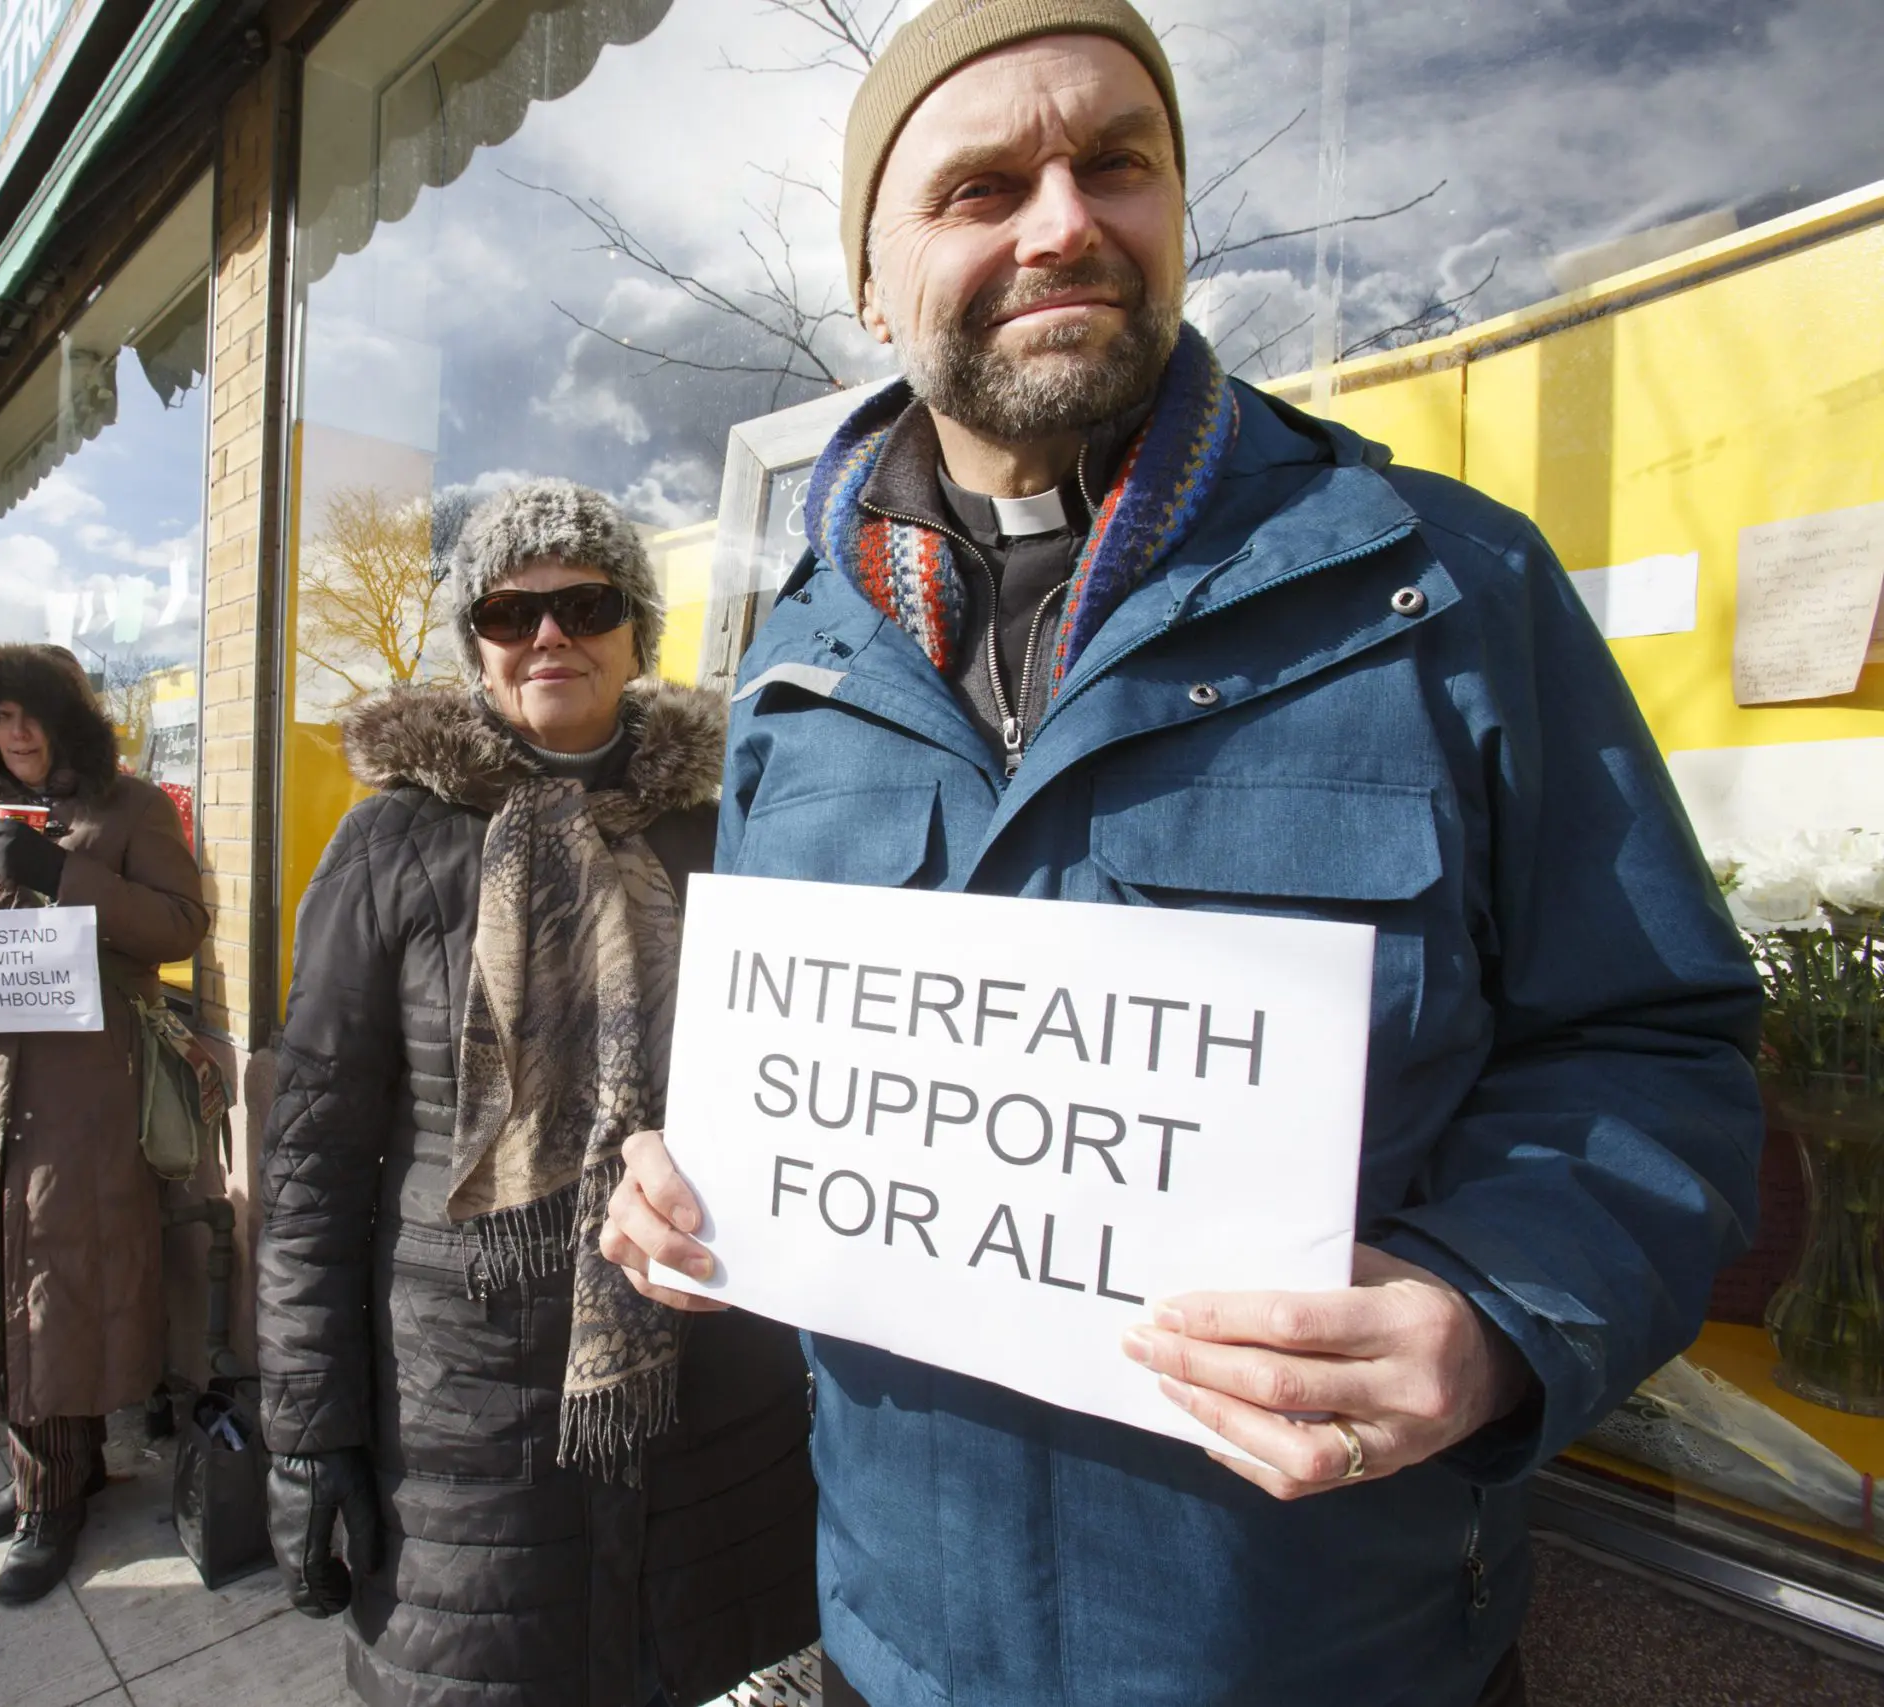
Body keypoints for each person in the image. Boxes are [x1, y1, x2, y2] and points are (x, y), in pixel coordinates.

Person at [600, 7, 1763, 1705]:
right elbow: (790, 1085)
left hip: (1333, 1659)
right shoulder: (795, 671)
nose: (1061, 219)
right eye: (983, 185)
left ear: (1176, 210)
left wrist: (1496, 1306)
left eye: (1115, 163)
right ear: (874, 285)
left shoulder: (1444, 589)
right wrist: (686, 1188)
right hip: (898, 1653)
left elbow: (1660, 1054)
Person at [257, 482, 819, 1707]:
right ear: (475, 643)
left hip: (713, 1364)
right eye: (510, 614)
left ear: (635, 631)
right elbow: (312, 1159)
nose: (548, 635)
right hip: (468, 1401)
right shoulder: (393, 844)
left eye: (584, 603)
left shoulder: (730, 824)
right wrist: (308, 1422)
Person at [0, 644, 206, 1607]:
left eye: (32, 715)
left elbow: (178, 926)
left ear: (67, 720)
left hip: (84, 1099)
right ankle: (51, 1475)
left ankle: (52, 1501)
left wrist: (67, 876)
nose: (16, 733)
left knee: (56, 1290)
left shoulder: (134, 809)